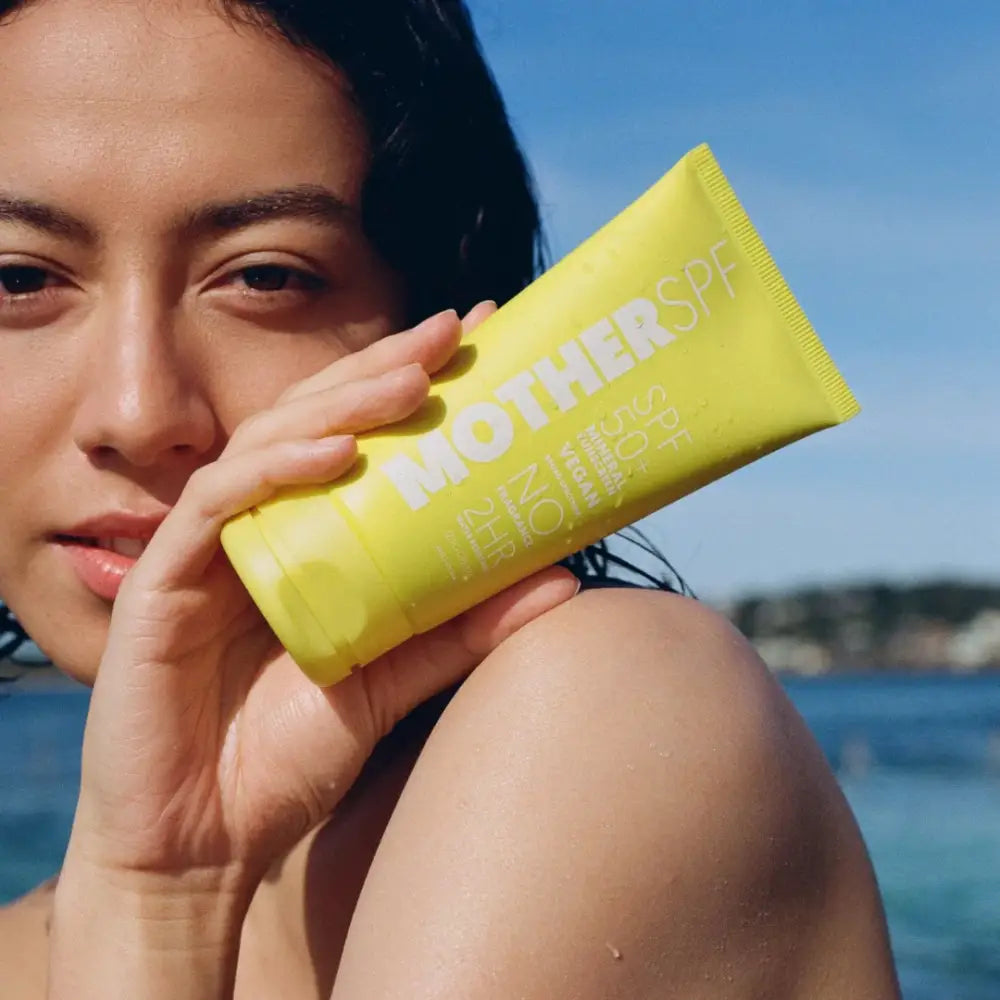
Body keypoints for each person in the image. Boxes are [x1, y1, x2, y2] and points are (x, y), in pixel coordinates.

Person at [0, 1, 902, 997]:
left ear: (447, 329)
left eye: (264, 275)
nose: (135, 411)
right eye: (15, 278)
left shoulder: (598, 719)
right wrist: (150, 890)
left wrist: (158, 908)